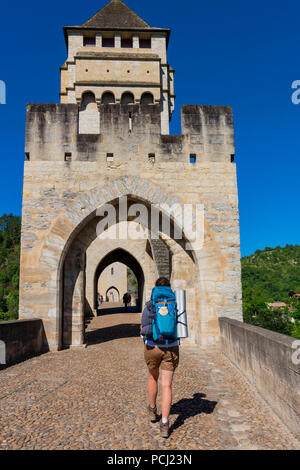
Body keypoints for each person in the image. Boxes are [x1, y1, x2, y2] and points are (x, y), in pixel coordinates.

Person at [140, 277, 179, 438]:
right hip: (171, 348)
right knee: (167, 385)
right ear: (169, 288)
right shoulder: (175, 303)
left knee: (152, 378)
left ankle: (152, 409)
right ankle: (164, 423)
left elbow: (144, 328)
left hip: (152, 347)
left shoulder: (150, 304)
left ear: (156, 288)